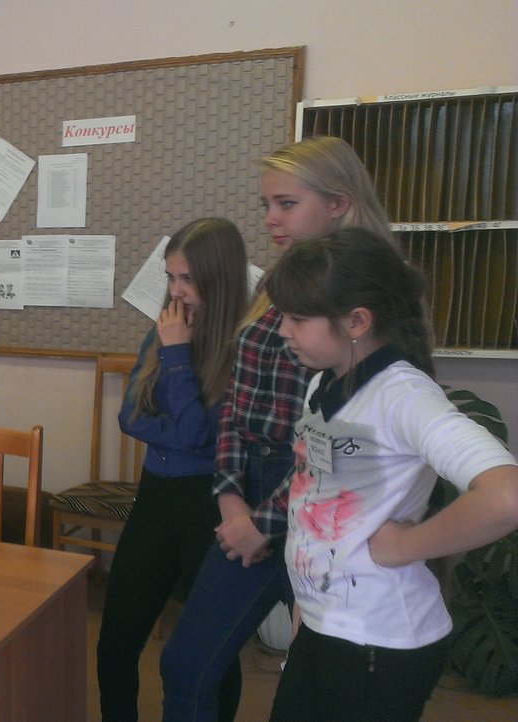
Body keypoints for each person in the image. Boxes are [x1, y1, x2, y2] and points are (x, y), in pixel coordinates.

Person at [160, 136, 398, 721]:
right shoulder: (277, 282)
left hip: (323, 501)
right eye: (266, 204)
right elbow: (236, 404)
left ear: (338, 204)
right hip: (250, 488)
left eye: (286, 204)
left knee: (313, 689)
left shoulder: (370, 292)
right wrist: (230, 498)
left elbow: (349, 440)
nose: (270, 219)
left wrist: (265, 521)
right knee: (186, 666)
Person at [261, 229, 518, 720]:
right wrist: (305, 612)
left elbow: (506, 496)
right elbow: (316, 500)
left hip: (378, 641)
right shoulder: (323, 382)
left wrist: (405, 546)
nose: (283, 331)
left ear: (357, 321)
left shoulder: (403, 396)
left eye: (297, 318)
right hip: (323, 624)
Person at [97, 218, 248, 722]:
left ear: (219, 279)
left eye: (188, 279)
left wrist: (179, 355)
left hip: (209, 503)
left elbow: (199, 434)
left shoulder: (242, 344)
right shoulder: (164, 327)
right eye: (170, 278)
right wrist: (182, 429)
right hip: (156, 496)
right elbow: (130, 417)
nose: (176, 291)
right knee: (116, 640)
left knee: (208, 655)